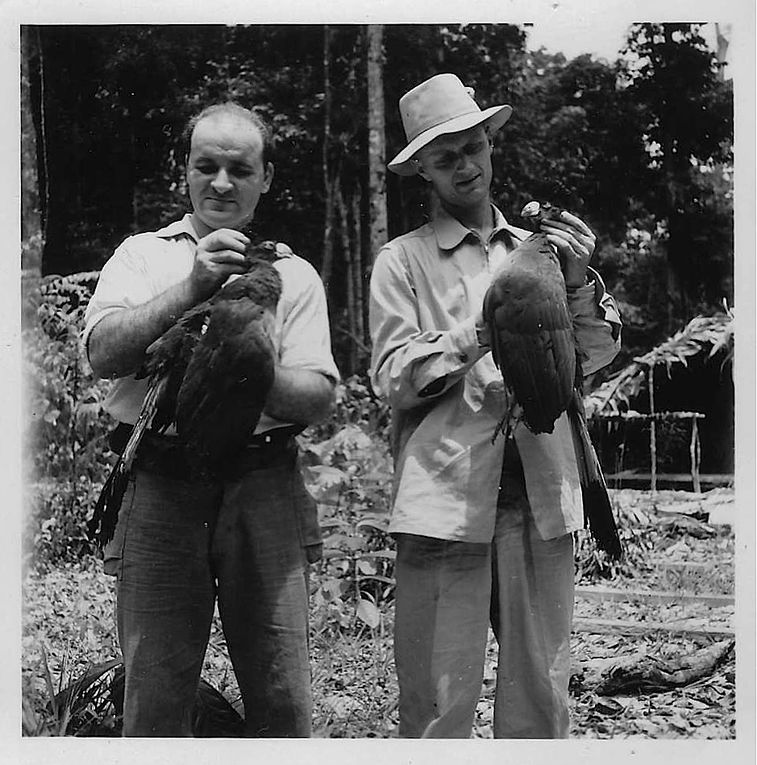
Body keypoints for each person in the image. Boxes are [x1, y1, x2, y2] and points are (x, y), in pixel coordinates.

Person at [369, 73, 621, 739]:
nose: (464, 165)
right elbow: (392, 375)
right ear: (421, 168)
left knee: (541, 703)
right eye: (445, 156)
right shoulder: (401, 262)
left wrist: (575, 282)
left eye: (472, 146)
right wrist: (483, 333)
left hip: (540, 497)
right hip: (444, 505)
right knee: (434, 710)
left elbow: (592, 355)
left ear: (490, 146)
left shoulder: (540, 253)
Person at [83, 102, 338, 737]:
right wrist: (194, 289)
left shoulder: (293, 274)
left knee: (281, 693)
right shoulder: (143, 256)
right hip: (161, 487)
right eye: (207, 166)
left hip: (262, 487)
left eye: (239, 168)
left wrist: (240, 362)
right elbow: (103, 353)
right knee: (156, 690)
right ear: (187, 173)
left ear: (265, 178)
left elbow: (315, 395)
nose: (222, 182)